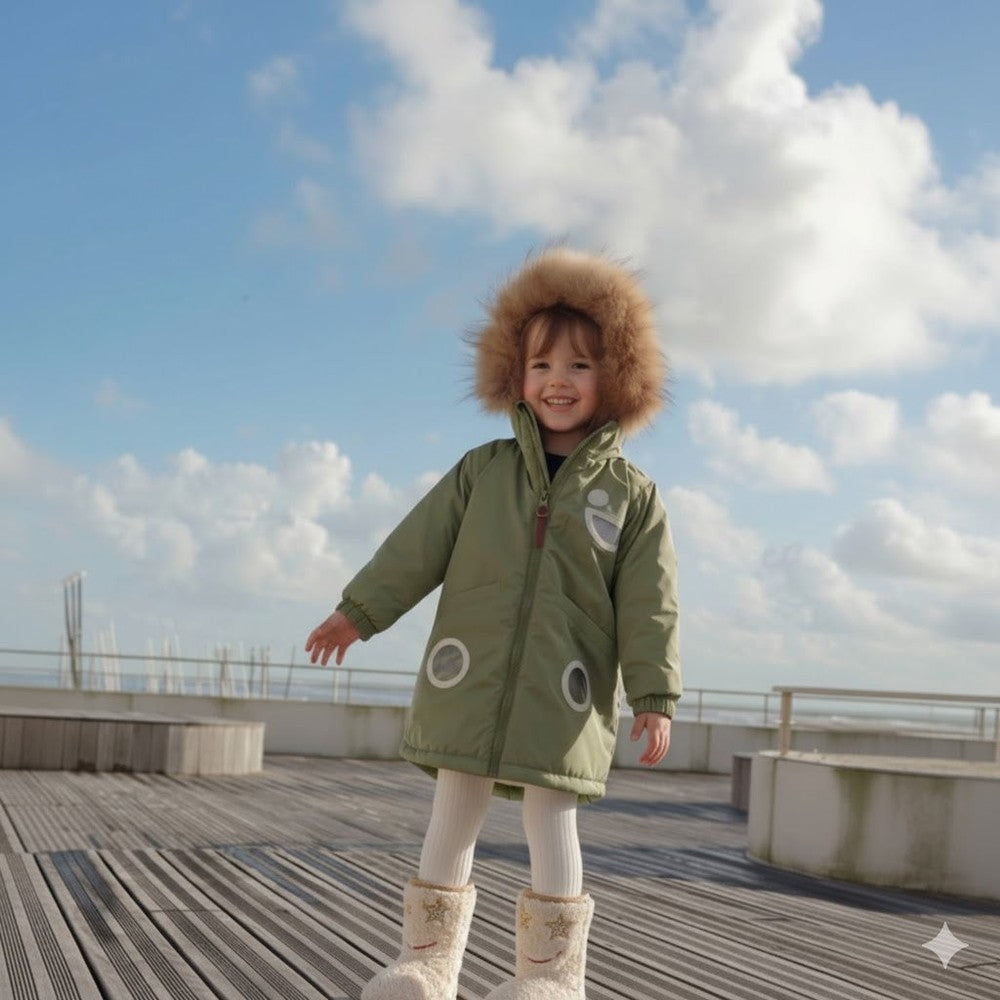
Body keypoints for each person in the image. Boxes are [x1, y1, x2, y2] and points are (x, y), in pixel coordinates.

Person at [305, 248, 681, 1000]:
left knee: (552, 818)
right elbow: (416, 548)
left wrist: (654, 695)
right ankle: (426, 966)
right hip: (469, 676)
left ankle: (551, 980)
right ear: (517, 377)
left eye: (579, 366)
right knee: (456, 806)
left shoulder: (631, 498)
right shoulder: (483, 471)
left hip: (564, 694)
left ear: (616, 377)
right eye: (541, 366)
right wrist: (359, 612)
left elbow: (650, 602)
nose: (558, 382)